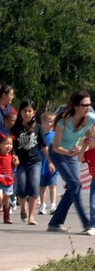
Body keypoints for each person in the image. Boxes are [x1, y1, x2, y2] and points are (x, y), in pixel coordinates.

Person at [48, 91, 95, 234]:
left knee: (73, 188)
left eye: (89, 104)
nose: (88, 107)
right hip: (58, 153)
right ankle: (87, 223)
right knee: (75, 184)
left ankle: (55, 223)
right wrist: (70, 152)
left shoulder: (91, 119)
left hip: (71, 154)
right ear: (75, 106)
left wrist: (81, 147)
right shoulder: (64, 122)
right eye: (84, 105)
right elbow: (56, 147)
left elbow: (90, 137)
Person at [10, 100, 52, 225]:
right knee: (22, 188)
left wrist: (50, 161)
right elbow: (11, 146)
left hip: (35, 162)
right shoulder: (15, 128)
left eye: (30, 111)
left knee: (34, 187)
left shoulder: (38, 128)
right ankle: (23, 208)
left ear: (34, 112)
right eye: (24, 111)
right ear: (20, 112)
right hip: (21, 163)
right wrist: (13, 156)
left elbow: (44, 146)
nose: (27, 113)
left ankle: (31, 216)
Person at [0, 134, 18, 223]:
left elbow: (14, 166)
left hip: (8, 181)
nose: (9, 146)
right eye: (6, 144)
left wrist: (16, 162)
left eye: (10, 144)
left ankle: (6, 216)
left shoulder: (11, 156)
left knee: (6, 200)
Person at [39, 112, 58, 215]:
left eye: (54, 122)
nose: (52, 124)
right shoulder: (39, 134)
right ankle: (42, 205)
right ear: (43, 122)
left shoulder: (55, 134)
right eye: (50, 121)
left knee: (53, 185)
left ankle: (53, 205)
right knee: (42, 186)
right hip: (41, 163)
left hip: (53, 163)